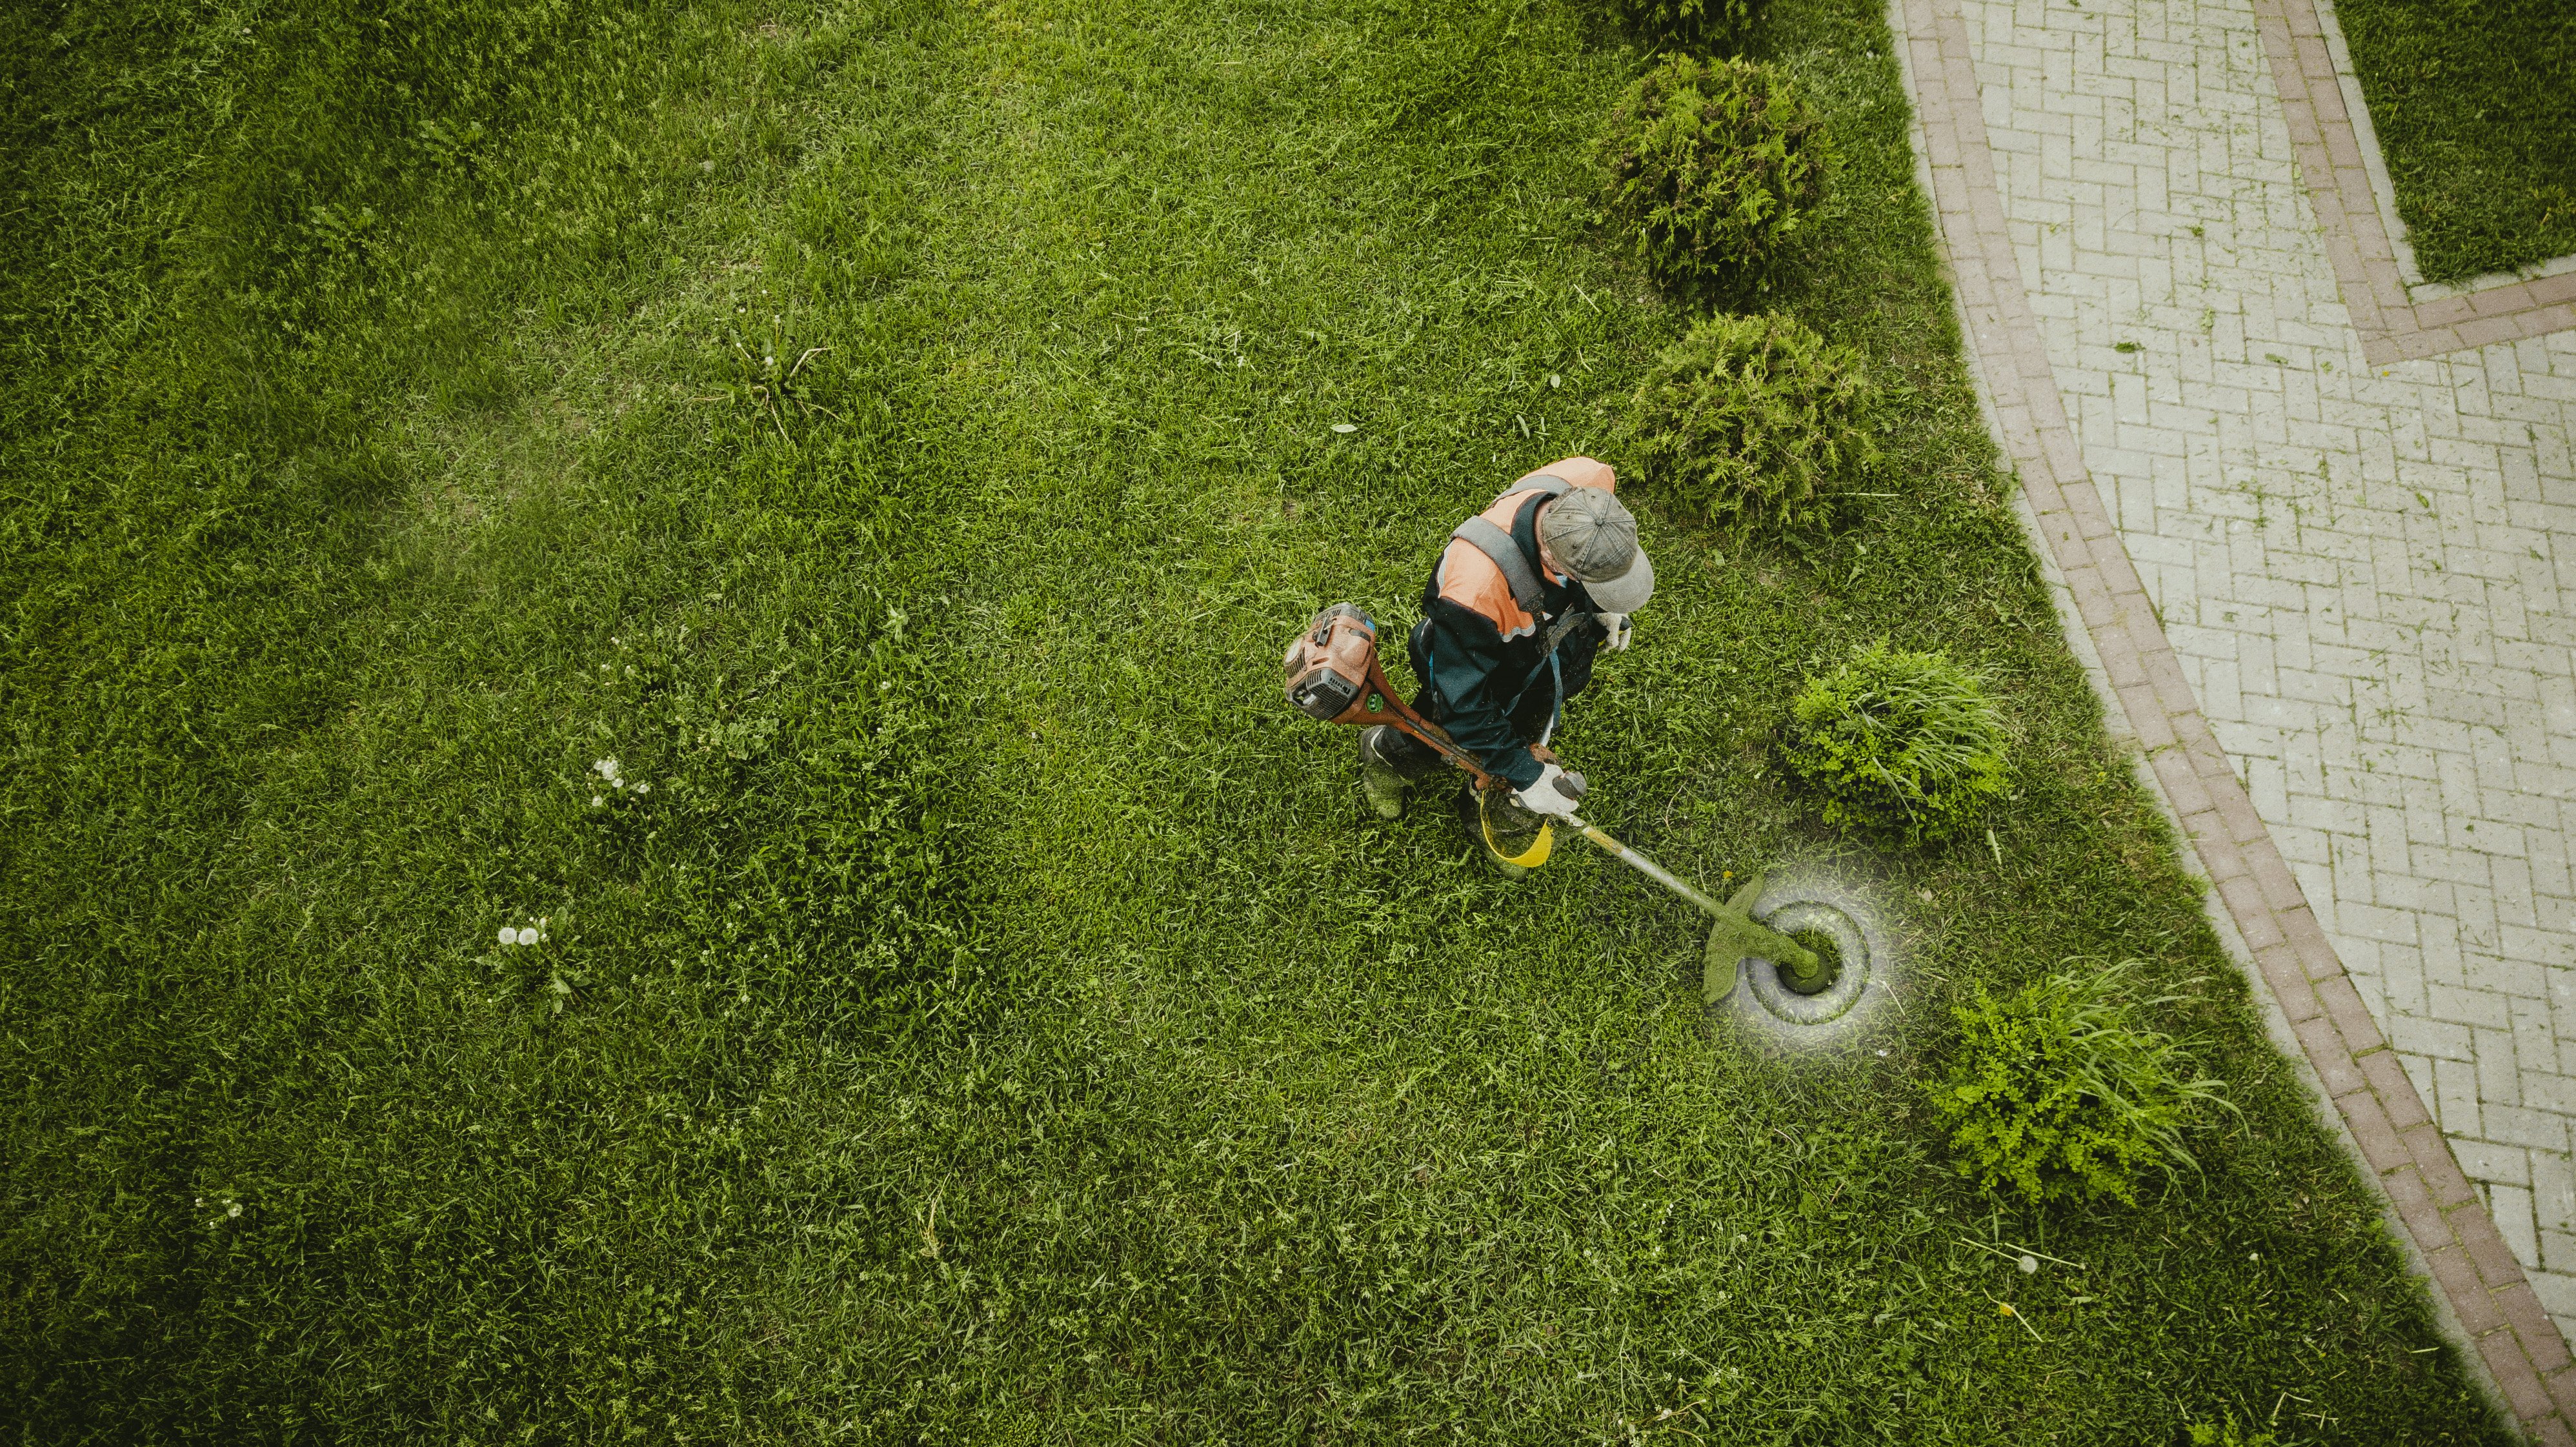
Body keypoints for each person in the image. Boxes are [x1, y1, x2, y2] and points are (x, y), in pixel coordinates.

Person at [1360, 457, 1655, 876]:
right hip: (1471, 664)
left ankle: (1483, 793)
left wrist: (1603, 609)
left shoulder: (1592, 481)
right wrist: (1526, 772)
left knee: (1524, 730)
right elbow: (1463, 702)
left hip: (1544, 649)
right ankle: (1386, 758)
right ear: (1553, 559)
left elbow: (1598, 557)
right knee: (1438, 734)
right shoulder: (1475, 591)